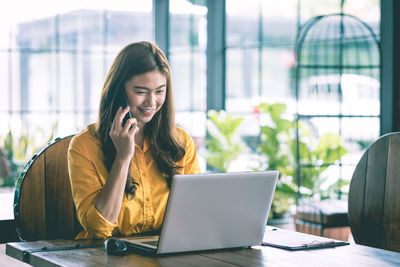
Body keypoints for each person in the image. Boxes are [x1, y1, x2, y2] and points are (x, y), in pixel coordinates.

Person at [68, 41, 201, 239]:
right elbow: (98, 229)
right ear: (119, 91)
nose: (151, 102)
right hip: (105, 255)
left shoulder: (181, 142)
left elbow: (195, 214)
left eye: (159, 91)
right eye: (140, 92)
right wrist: (123, 157)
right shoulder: (84, 146)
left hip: (164, 253)